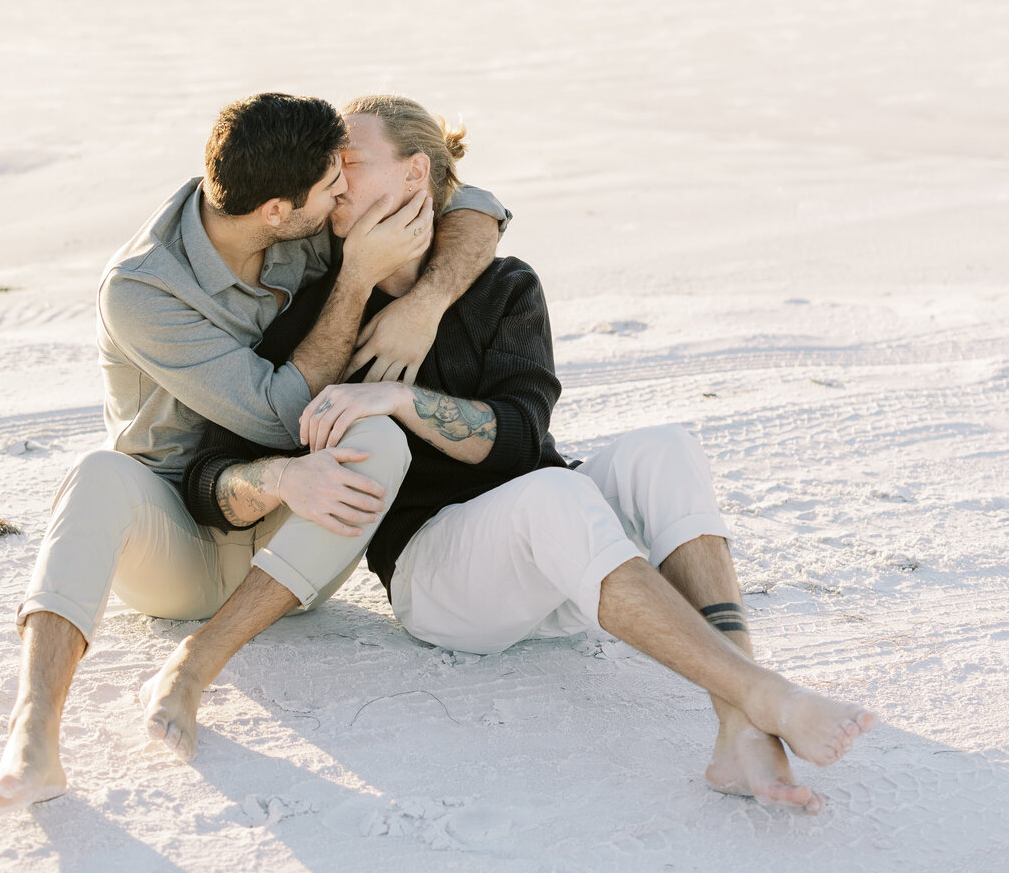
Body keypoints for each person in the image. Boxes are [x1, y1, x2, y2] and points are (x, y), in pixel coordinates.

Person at [144, 94, 876, 813]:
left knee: (665, 448)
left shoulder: (504, 285)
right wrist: (282, 473)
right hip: (443, 581)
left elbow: (523, 435)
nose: (333, 180)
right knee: (554, 496)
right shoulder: (314, 309)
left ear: (414, 177)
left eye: (351, 162)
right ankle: (763, 692)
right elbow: (213, 469)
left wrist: (401, 396)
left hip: (568, 561)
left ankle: (739, 723)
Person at [0, 91, 506, 818]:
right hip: (176, 541)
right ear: (277, 212)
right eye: (333, 186)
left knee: (377, 436)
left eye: (346, 176)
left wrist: (425, 303)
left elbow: (473, 202)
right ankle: (31, 738)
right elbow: (275, 414)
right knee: (96, 473)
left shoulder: (302, 216)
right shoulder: (142, 291)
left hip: (294, 544)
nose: (346, 192)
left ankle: (193, 668)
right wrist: (354, 280)